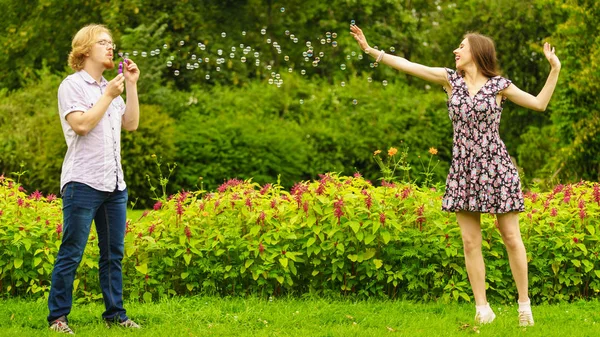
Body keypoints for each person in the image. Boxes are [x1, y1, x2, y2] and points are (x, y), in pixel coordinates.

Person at [351, 24, 560, 326]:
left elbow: (539, 104)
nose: (456, 51)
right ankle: (482, 308)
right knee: (469, 241)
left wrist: (554, 69)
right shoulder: (451, 80)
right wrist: (372, 51)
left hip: (496, 167)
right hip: (463, 169)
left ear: (476, 51)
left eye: (461, 46)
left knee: (511, 237)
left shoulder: (499, 85)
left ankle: (524, 304)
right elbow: (410, 66)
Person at [47, 24, 141, 334]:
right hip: (82, 182)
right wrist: (109, 94)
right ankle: (58, 319)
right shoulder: (71, 85)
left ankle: (116, 314)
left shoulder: (111, 87)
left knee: (113, 254)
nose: (110, 47)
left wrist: (130, 85)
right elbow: (82, 125)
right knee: (71, 252)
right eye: (103, 42)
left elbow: (131, 124)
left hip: (115, 185)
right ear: (85, 50)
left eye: (112, 43)